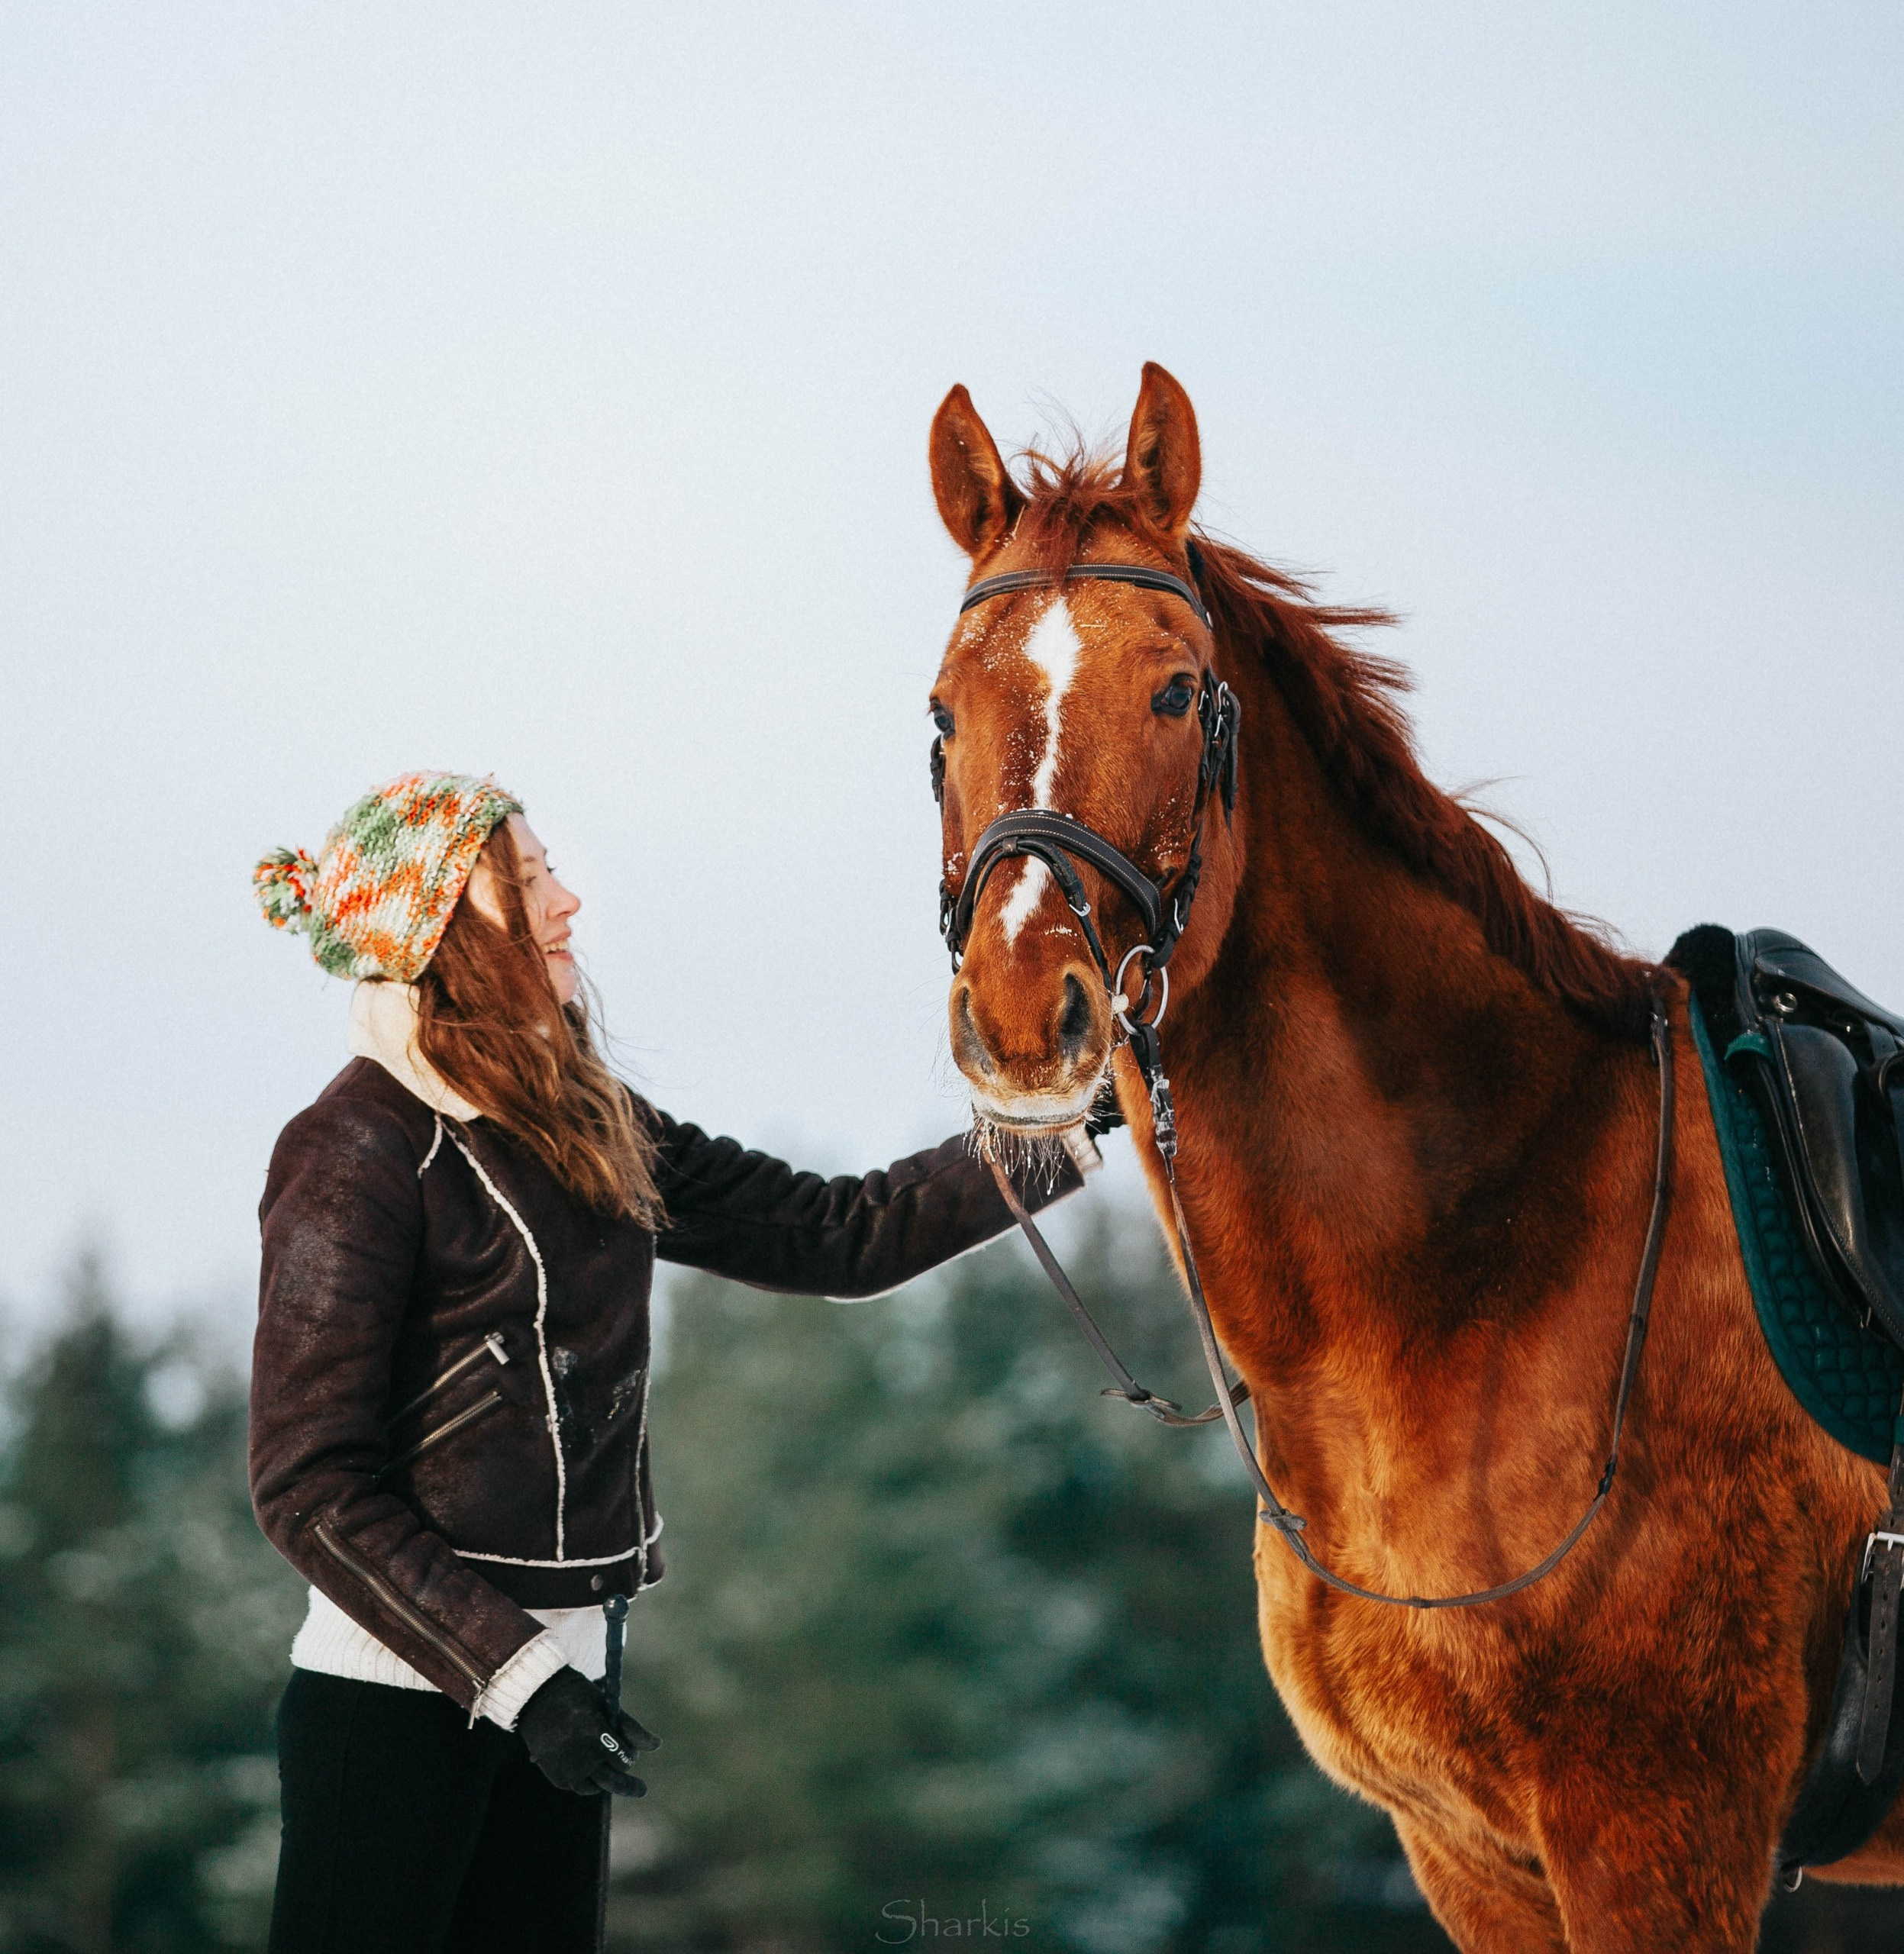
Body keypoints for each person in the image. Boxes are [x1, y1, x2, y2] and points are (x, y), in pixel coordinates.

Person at [249, 772, 1096, 1953]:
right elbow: (308, 1486)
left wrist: (1061, 1124)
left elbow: (832, 1232)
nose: (567, 904)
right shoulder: (355, 1147)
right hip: (397, 1706)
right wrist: (513, 1675)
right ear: (444, 927)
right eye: (530, 882)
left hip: (566, 1686)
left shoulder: (585, 1117)